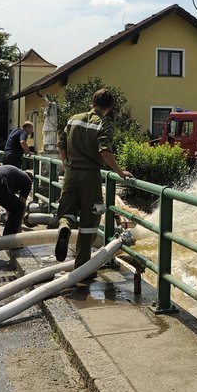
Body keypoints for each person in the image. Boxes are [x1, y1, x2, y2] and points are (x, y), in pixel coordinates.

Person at [55, 89, 133, 272]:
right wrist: (120, 172)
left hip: (71, 173)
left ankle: (64, 228)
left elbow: (61, 144)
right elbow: (105, 152)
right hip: (90, 176)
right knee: (89, 223)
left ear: (93, 101)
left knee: (67, 212)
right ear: (109, 107)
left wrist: (66, 163)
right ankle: (81, 268)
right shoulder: (103, 124)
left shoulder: (74, 119)